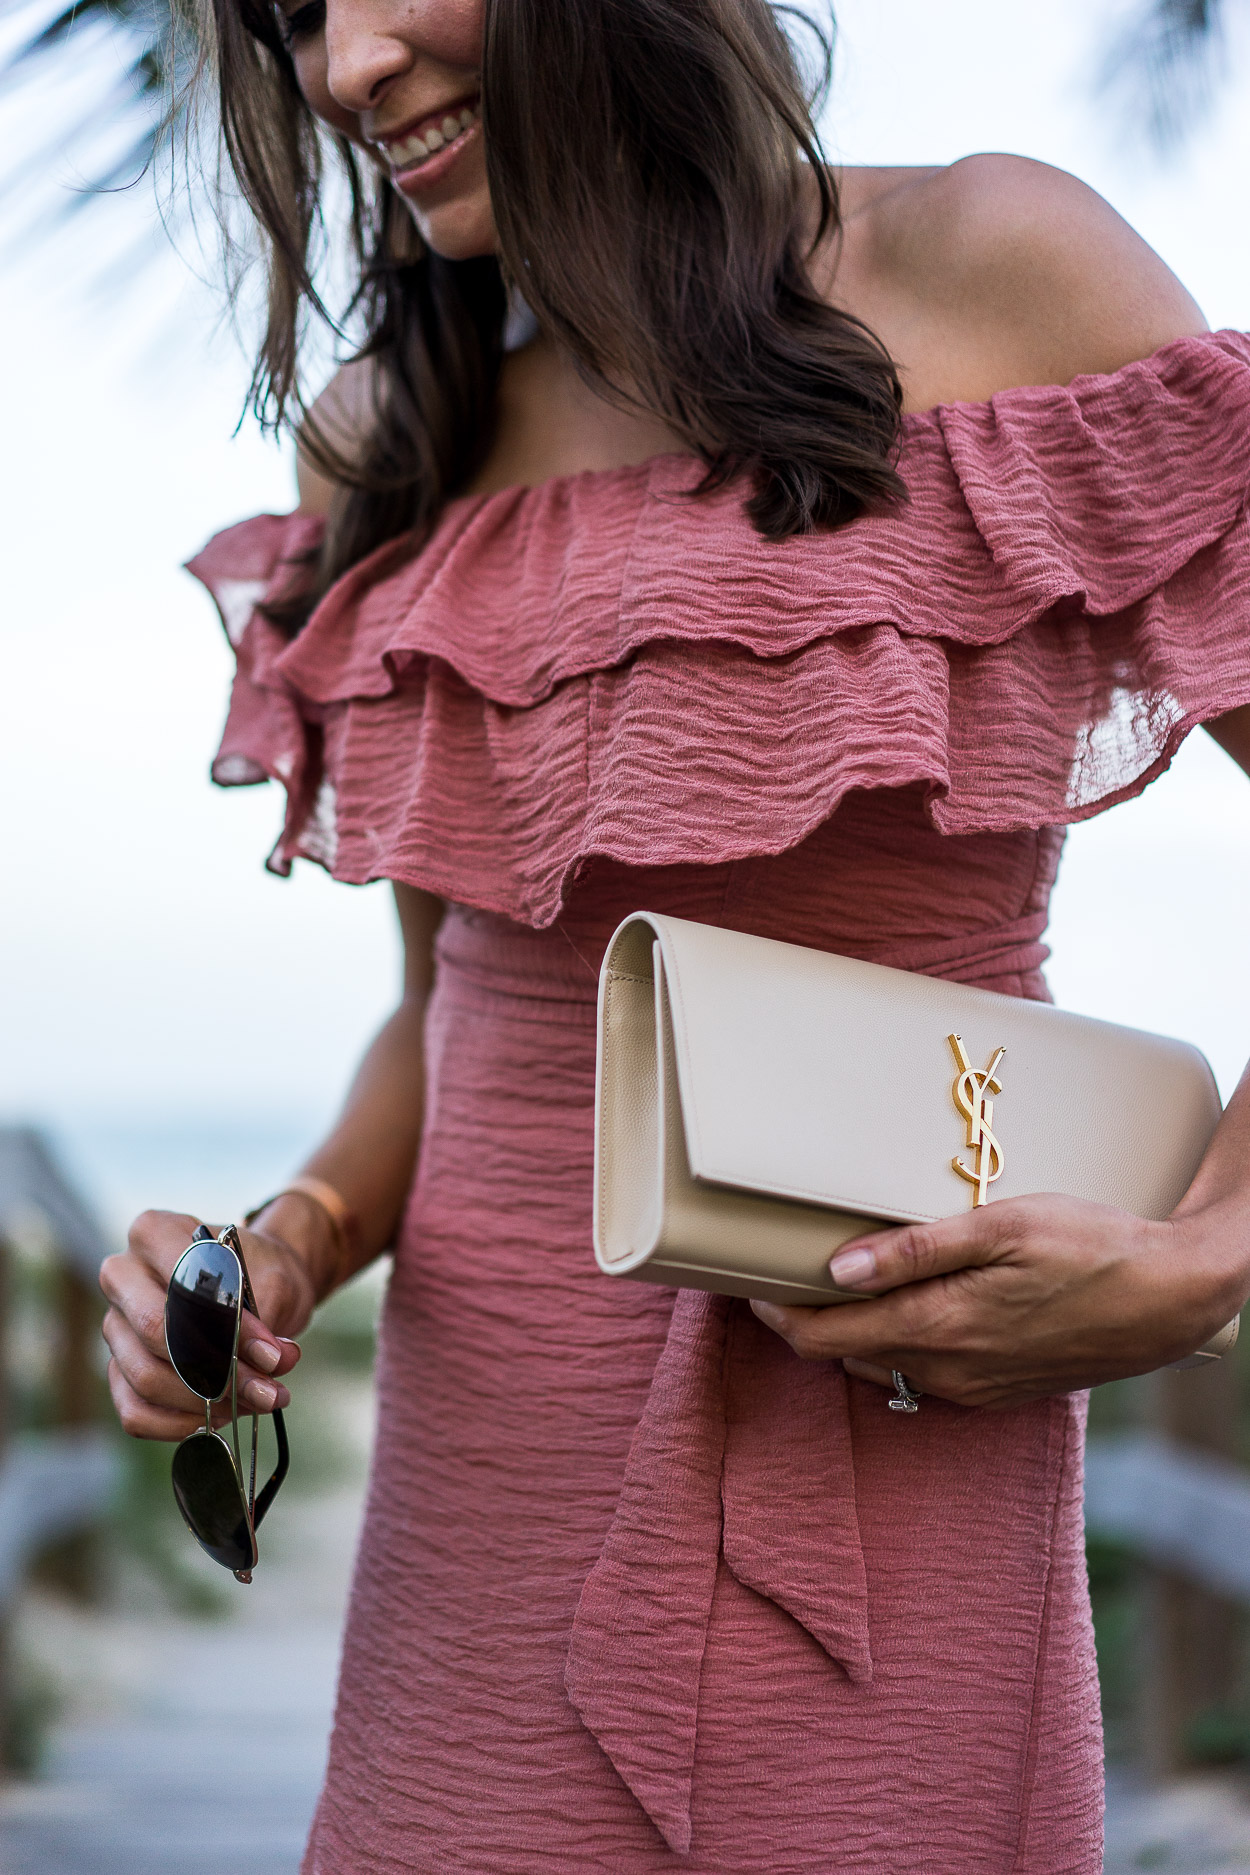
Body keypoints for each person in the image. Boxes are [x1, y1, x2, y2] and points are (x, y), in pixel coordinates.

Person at [97, 1, 1250, 1869]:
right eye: (297, 16)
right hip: (480, 1506)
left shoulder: (995, 269)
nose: (346, 65)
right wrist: (285, 1240)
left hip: (892, 1428)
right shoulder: (386, 443)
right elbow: (451, 1013)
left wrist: (1212, 1247)